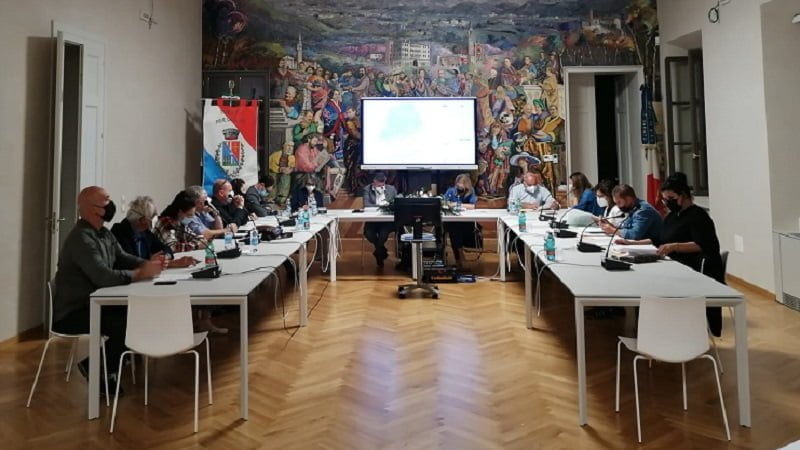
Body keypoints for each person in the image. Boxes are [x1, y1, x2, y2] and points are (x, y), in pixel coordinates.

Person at [52, 186, 166, 394]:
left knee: (136, 316)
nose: (111, 204)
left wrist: (148, 265)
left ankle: (102, 367)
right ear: (93, 209)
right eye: (106, 201)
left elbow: (123, 257)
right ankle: (98, 369)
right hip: (73, 310)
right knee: (126, 325)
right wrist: (140, 273)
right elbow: (103, 277)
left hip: (96, 302)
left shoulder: (103, 233)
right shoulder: (81, 238)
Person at [616, 173, 725, 336]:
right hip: (672, 267)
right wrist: (631, 243)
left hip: (693, 271)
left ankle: (658, 331)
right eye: (665, 199)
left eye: (671, 198)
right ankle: (649, 331)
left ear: (683, 196)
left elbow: (702, 245)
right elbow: (659, 240)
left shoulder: (698, 216)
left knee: (649, 287)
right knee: (642, 282)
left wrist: (675, 246)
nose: (667, 202)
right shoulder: (672, 216)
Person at [111, 196, 198, 267]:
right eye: (153, 216)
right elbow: (129, 263)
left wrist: (165, 257)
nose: (155, 219)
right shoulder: (119, 232)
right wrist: (170, 263)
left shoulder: (145, 233)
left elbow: (166, 249)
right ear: (143, 220)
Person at [598, 184, 662, 242]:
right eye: (616, 203)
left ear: (629, 198)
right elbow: (626, 229)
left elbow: (634, 235)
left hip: (655, 247)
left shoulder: (643, 210)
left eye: (619, 202)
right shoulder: (633, 208)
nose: (618, 206)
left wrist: (613, 230)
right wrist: (609, 225)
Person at [443, 174, 478, 270]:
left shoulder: (471, 191)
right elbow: (444, 202)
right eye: (458, 183)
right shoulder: (451, 191)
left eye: (462, 184)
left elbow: (473, 206)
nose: (459, 185)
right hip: (452, 221)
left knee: (458, 230)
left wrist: (456, 204)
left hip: (466, 222)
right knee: (455, 229)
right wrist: (451, 204)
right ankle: (460, 255)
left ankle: (460, 255)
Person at [362, 172, 397, 268]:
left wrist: (388, 206)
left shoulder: (391, 189)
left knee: (383, 234)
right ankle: (381, 251)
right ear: (374, 182)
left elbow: (396, 203)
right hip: (372, 220)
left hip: (387, 221)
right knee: (368, 233)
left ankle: (379, 255)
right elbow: (366, 205)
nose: (381, 186)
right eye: (379, 185)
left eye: (383, 184)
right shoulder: (367, 189)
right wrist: (382, 206)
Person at [269, 142, 296, 206]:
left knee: (286, 177)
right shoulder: (275, 155)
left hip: (284, 174)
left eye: (292, 146)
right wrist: (280, 169)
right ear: (283, 146)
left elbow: (292, 166)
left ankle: (281, 199)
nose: (290, 148)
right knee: (272, 178)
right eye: (288, 146)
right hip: (274, 172)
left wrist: (290, 169)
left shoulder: (292, 157)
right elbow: (270, 165)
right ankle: (271, 197)